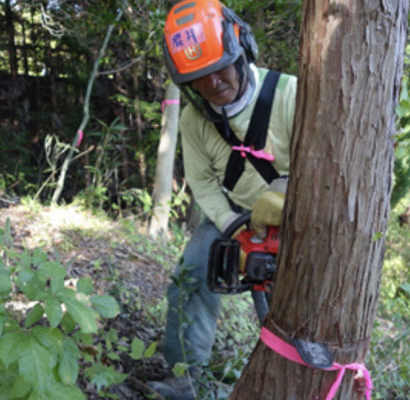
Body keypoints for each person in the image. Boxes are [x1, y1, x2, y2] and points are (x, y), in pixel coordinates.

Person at [150, 1, 297, 398]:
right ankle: (184, 376)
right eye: (200, 77)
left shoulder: (289, 94)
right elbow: (202, 182)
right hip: (229, 215)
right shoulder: (196, 118)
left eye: (220, 68)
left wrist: (283, 194)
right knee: (191, 275)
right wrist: (236, 228)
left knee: (292, 305)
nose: (213, 82)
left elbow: (321, 167)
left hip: (294, 217)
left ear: (240, 51)